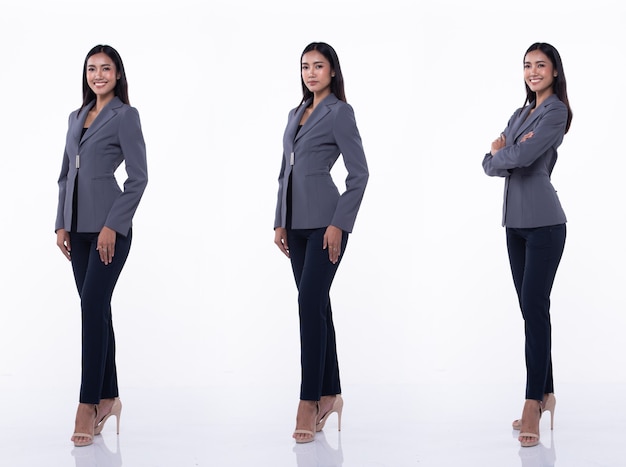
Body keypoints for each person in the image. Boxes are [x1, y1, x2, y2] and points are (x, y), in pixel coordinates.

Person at [274, 42, 369, 443]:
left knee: (308, 302)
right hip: (295, 224)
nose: (311, 73)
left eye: (319, 66)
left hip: (328, 224)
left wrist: (338, 224)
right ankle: (331, 393)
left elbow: (359, 174)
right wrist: (280, 221)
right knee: (317, 304)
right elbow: (285, 171)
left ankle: (309, 399)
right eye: (305, 67)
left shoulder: (339, 112)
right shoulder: (297, 113)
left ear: (333, 71)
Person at [55, 44, 148, 447]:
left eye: (105, 69)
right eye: (92, 69)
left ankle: (88, 403)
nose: (98, 75)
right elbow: (64, 176)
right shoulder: (76, 117)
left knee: (92, 307)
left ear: (118, 74)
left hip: (110, 229)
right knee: (96, 308)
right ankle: (110, 397)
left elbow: (138, 177)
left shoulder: (125, 116)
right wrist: (61, 223)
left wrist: (114, 224)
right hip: (76, 229)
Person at [482, 42, 572, 448]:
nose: (533, 71)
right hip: (514, 225)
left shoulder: (556, 112)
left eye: (541, 65)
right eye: (527, 66)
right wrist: (504, 153)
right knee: (530, 311)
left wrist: (505, 152)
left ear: (554, 72)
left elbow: (519, 155)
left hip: (545, 225)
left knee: (535, 308)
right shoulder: (521, 114)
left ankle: (533, 402)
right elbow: (493, 161)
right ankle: (546, 390)